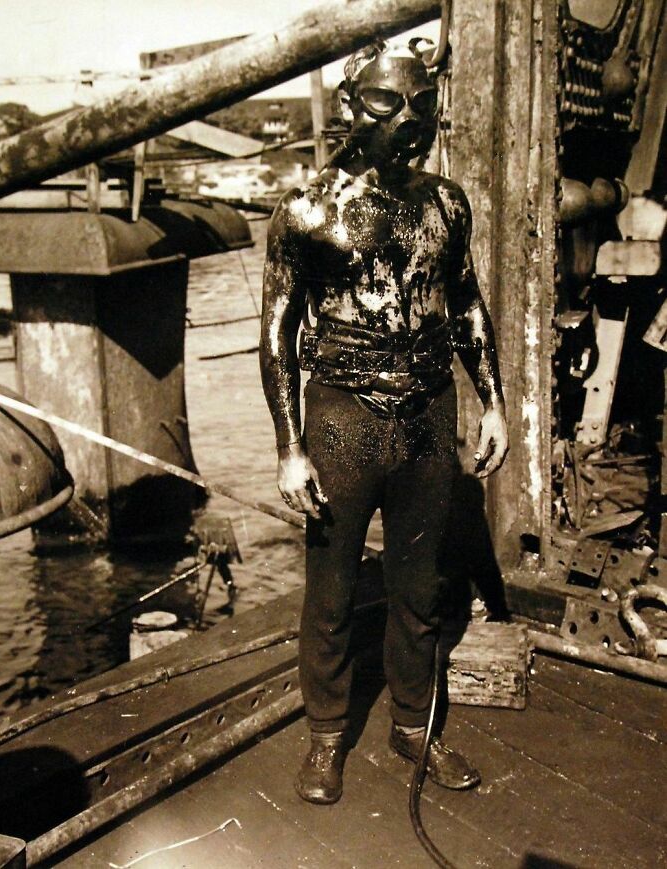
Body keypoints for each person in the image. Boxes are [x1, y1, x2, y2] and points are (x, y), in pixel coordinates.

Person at [259, 38, 508, 805]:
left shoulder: (446, 204)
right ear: (348, 109)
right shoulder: (305, 214)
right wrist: (289, 448)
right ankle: (327, 736)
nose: (407, 120)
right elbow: (275, 334)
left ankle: (413, 725)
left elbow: (464, 301)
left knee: (422, 583)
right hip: (343, 416)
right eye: (385, 103)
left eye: (421, 106)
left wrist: (493, 400)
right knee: (330, 589)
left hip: (430, 411)